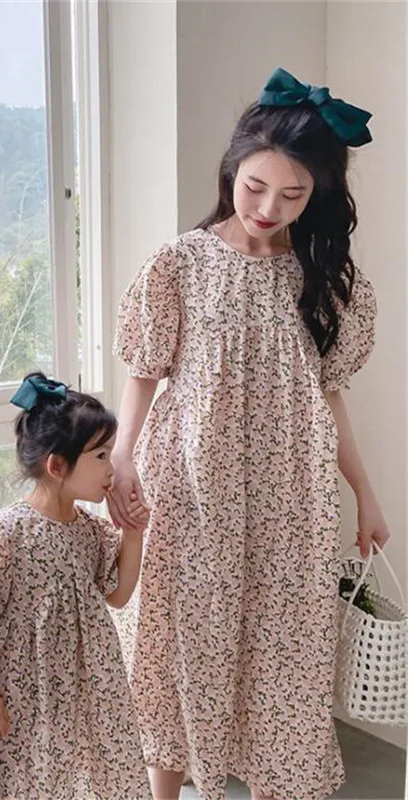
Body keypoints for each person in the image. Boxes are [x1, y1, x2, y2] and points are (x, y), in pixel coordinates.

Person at [110, 67, 391, 800]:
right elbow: (142, 373)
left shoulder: (326, 280)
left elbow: (328, 397)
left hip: (291, 498)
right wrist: (122, 460)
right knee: (181, 647)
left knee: (285, 657)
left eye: (293, 195)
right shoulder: (180, 263)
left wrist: (365, 492)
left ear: (317, 193)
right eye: (256, 186)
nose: (269, 208)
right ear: (231, 170)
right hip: (191, 488)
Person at [0, 372, 151, 799]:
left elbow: (118, 596)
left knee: (60, 779)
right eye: (101, 456)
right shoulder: (7, 534)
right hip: (15, 692)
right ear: (57, 466)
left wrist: (132, 534)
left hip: (70, 693)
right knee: (9, 779)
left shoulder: (88, 532)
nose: (112, 468)